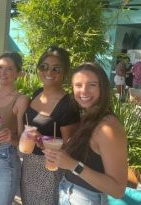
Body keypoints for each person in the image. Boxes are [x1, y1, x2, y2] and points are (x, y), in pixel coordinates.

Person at [45, 63, 128, 205]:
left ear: (103, 87)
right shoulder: (88, 117)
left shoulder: (108, 128)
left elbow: (118, 190)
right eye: (78, 85)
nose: (83, 91)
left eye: (92, 85)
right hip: (68, 192)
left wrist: (73, 165)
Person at [20, 46, 80, 205]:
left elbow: (71, 148)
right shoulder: (37, 92)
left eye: (56, 69)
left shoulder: (68, 105)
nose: (49, 72)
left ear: (65, 73)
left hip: (49, 170)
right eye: (44, 67)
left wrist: (46, 142)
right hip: (28, 163)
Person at [0, 52, 29, 205]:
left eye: (9, 69)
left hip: (5, 160)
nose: (2, 72)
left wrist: (11, 137)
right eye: (0, 67)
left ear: (18, 73)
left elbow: (23, 140)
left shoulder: (21, 100)